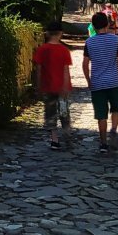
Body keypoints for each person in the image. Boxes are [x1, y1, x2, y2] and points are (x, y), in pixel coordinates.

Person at [82, 10, 118, 154]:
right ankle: (113, 130)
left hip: (97, 83)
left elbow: (85, 64)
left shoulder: (89, 42)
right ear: (108, 24)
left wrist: (89, 80)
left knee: (101, 114)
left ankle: (103, 143)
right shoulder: (115, 40)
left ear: (93, 26)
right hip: (114, 81)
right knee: (116, 108)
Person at [32, 22, 74, 151]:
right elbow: (66, 70)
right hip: (62, 87)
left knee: (50, 113)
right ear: (61, 33)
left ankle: (54, 139)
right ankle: (67, 134)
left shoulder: (42, 49)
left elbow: (38, 70)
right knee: (64, 112)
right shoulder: (64, 50)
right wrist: (66, 86)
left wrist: (38, 85)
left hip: (48, 86)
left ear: (47, 33)